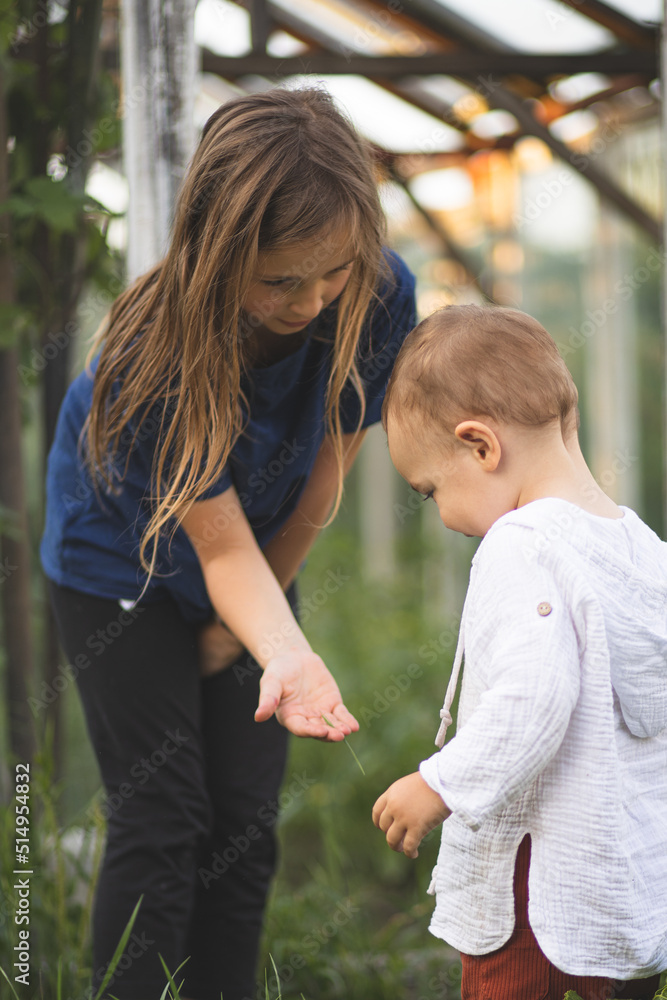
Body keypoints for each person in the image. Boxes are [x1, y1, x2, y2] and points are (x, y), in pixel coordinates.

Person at [41, 86, 416, 1000]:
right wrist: (274, 644)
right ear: (215, 250)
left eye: (329, 273)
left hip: (257, 553)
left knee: (244, 821)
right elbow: (218, 552)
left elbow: (323, 474)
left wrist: (260, 643)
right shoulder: (150, 360)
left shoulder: (374, 291)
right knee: (164, 814)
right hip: (118, 569)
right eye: (279, 279)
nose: (309, 301)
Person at [372, 304, 667, 1000]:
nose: (441, 514)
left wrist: (439, 783)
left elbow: (535, 695)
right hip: (621, 878)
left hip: (535, 883)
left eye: (430, 489)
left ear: (480, 446)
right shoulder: (642, 548)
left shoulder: (521, 542)